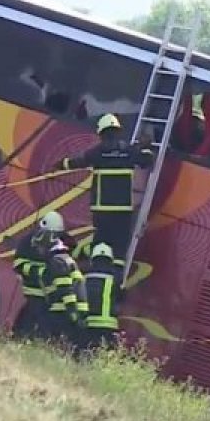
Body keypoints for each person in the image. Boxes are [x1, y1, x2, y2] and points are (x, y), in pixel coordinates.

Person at [55, 113, 154, 270]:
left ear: (102, 133)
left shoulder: (98, 152)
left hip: (102, 210)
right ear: (117, 131)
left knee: (101, 243)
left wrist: (61, 164)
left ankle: (97, 272)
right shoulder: (128, 151)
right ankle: (116, 276)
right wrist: (146, 147)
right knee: (120, 247)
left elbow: (78, 162)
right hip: (123, 210)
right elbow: (147, 161)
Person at [41, 238, 88, 346]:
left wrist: (73, 313)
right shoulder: (67, 259)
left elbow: (65, 288)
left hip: (63, 312)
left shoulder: (57, 261)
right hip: (76, 310)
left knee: (59, 346)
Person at [79, 242, 123, 350]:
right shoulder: (115, 279)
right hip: (109, 326)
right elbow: (121, 297)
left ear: (93, 258)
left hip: (88, 324)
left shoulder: (84, 277)